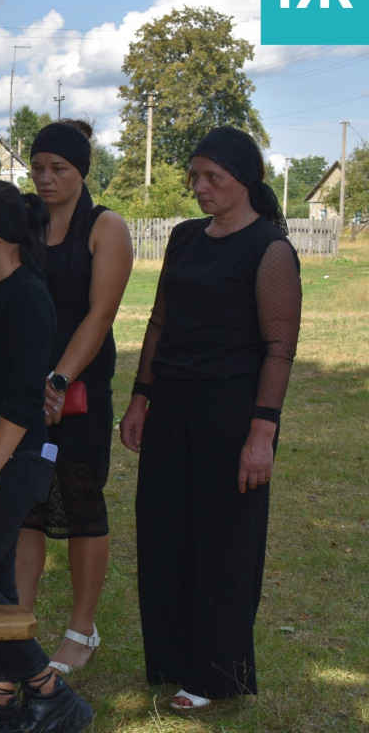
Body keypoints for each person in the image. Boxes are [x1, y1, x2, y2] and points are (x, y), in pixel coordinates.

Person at [119, 127, 301, 711]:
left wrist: (261, 432)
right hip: (171, 401)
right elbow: (159, 322)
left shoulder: (269, 250)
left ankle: (215, 674)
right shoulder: (183, 237)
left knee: (225, 543)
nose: (200, 187)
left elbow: (279, 347)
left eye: (212, 178)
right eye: (195, 176)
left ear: (245, 180)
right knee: (165, 531)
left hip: (232, 410)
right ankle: (173, 661)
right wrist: (140, 397)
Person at [0, 180, 93, 733]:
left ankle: (52, 695)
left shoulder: (28, 296)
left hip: (14, 458)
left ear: (2, 235)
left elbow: (26, 397)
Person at [14, 121, 134, 676]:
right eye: (37, 167)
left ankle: (82, 631)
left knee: (81, 504)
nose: (45, 178)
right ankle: (18, 623)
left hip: (78, 390)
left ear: (82, 171)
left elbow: (101, 313)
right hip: (26, 389)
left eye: (58, 168)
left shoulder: (105, 226)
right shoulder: (25, 223)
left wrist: (58, 380)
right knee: (28, 509)